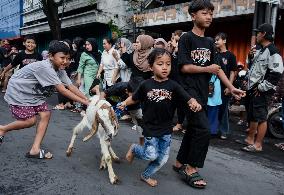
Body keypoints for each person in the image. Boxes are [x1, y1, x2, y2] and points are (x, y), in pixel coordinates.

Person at [173, 0, 245, 189]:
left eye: (211, 13)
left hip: (203, 93)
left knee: (194, 128)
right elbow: (185, 67)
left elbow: (218, 69)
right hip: (189, 92)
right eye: (205, 13)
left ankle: (180, 162)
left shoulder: (209, 42)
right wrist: (207, 68)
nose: (209, 17)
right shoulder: (186, 38)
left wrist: (231, 87)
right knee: (204, 130)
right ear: (193, 15)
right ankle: (191, 168)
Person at [120, 48, 202, 187]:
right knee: (151, 155)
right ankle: (135, 149)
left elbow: (187, 98)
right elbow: (134, 98)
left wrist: (194, 103)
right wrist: (124, 103)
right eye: (160, 64)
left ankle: (145, 175)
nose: (165, 67)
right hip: (150, 128)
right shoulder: (145, 85)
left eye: (168, 64)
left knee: (162, 158)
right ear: (151, 67)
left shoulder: (174, 85)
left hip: (166, 130)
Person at [0, 40, 89, 160]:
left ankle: (34, 150)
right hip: (19, 92)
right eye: (62, 58)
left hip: (34, 93)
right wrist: (86, 103)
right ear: (51, 56)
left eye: (68, 58)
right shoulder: (46, 67)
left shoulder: (60, 69)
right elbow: (63, 90)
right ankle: (2, 128)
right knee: (30, 121)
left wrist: (88, 99)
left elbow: (71, 86)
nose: (66, 61)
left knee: (46, 114)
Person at [242, 23, 283, 152]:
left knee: (261, 117)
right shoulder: (260, 49)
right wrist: (250, 56)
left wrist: (261, 87)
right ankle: (250, 140)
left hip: (262, 91)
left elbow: (276, 73)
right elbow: (254, 68)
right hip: (253, 88)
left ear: (264, 34)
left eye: (258, 32)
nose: (257, 35)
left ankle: (258, 145)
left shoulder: (273, 51)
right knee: (253, 115)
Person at [214, 32, 237, 139]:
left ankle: (223, 131)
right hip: (214, 86)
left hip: (225, 87)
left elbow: (233, 72)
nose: (216, 41)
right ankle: (214, 129)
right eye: (215, 39)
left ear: (224, 41)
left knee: (223, 109)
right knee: (215, 107)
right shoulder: (215, 55)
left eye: (218, 39)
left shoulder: (230, 55)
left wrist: (229, 86)